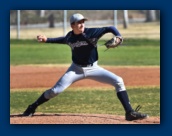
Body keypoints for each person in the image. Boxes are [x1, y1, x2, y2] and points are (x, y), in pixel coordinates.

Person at [22, 13, 148, 121]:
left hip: (94, 68)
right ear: (72, 25)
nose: (82, 24)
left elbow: (110, 27)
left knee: (118, 81)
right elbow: (61, 39)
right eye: (79, 23)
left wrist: (119, 36)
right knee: (55, 91)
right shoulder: (70, 37)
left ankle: (129, 113)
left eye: (83, 22)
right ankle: (32, 107)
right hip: (75, 69)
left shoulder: (92, 32)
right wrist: (46, 39)